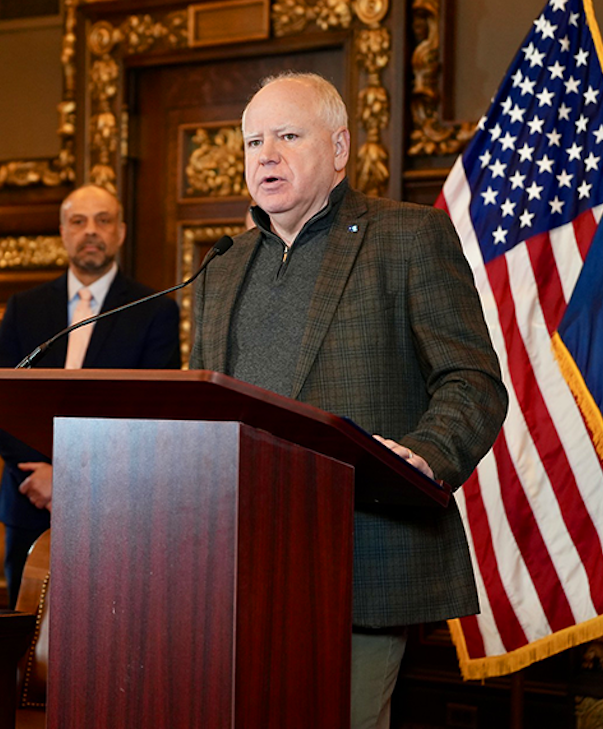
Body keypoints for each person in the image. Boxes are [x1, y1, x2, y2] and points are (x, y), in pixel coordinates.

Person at [189, 72, 507, 729]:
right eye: (253, 142)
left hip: (361, 557)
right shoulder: (220, 266)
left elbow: (472, 380)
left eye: (287, 135)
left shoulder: (408, 237)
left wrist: (425, 453)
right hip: (232, 568)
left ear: (338, 149)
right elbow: (202, 410)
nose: (266, 155)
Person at [0, 184, 181, 607]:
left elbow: (150, 413)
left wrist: (73, 481)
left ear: (121, 232)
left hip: (116, 507)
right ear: (62, 231)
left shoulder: (154, 310)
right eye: (79, 221)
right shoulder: (25, 307)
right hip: (29, 501)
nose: (90, 231)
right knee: (24, 642)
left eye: (103, 221)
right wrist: (41, 478)